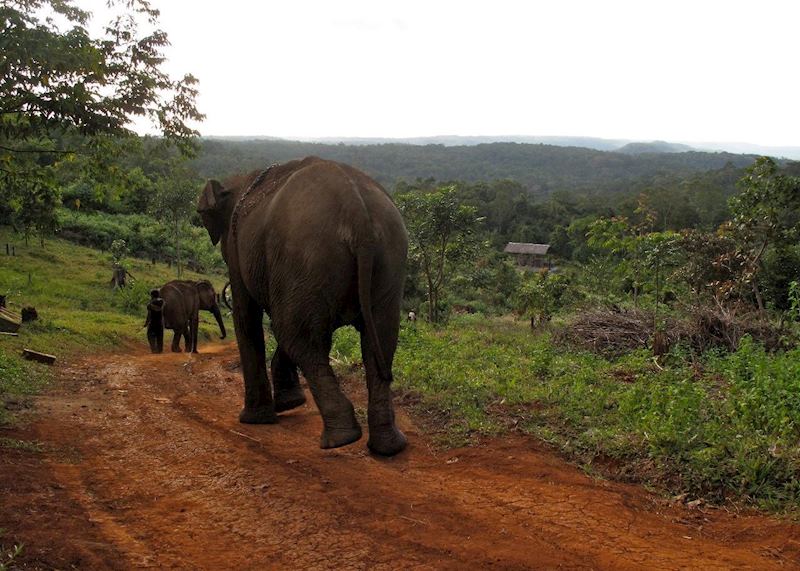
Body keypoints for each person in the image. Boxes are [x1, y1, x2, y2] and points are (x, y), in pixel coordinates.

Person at [144, 289, 165, 353]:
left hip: (152, 323)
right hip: (160, 323)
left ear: (152, 295)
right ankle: (159, 349)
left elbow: (149, 314)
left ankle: (154, 349)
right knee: (160, 336)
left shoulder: (151, 303)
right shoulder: (161, 301)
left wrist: (146, 323)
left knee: (150, 335)